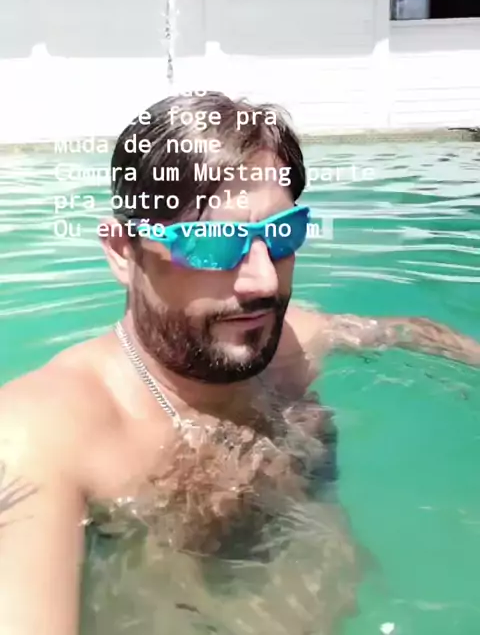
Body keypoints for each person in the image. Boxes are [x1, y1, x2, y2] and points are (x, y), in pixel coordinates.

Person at [1, 91, 479, 635]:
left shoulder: (292, 343)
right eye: (213, 243)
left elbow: (402, 331)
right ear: (122, 251)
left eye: (280, 234)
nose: (264, 281)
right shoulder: (38, 436)